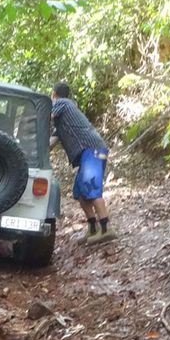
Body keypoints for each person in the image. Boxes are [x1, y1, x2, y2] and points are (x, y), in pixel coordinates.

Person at [49, 81, 115, 244]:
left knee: (91, 188)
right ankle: (93, 228)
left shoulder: (63, 103)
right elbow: (51, 143)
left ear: (54, 95)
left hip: (92, 149)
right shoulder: (63, 120)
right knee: (79, 192)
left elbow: (45, 115)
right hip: (89, 152)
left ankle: (106, 228)